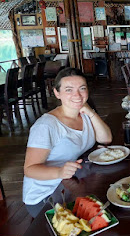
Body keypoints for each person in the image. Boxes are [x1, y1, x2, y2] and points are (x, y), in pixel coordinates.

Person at [23, 67, 112, 217]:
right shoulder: (46, 125)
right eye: (69, 90)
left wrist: (90, 113)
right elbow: (30, 169)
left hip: (70, 184)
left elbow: (106, 139)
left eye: (82, 88)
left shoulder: (83, 114)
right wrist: (59, 171)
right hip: (45, 196)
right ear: (57, 93)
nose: (77, 95)